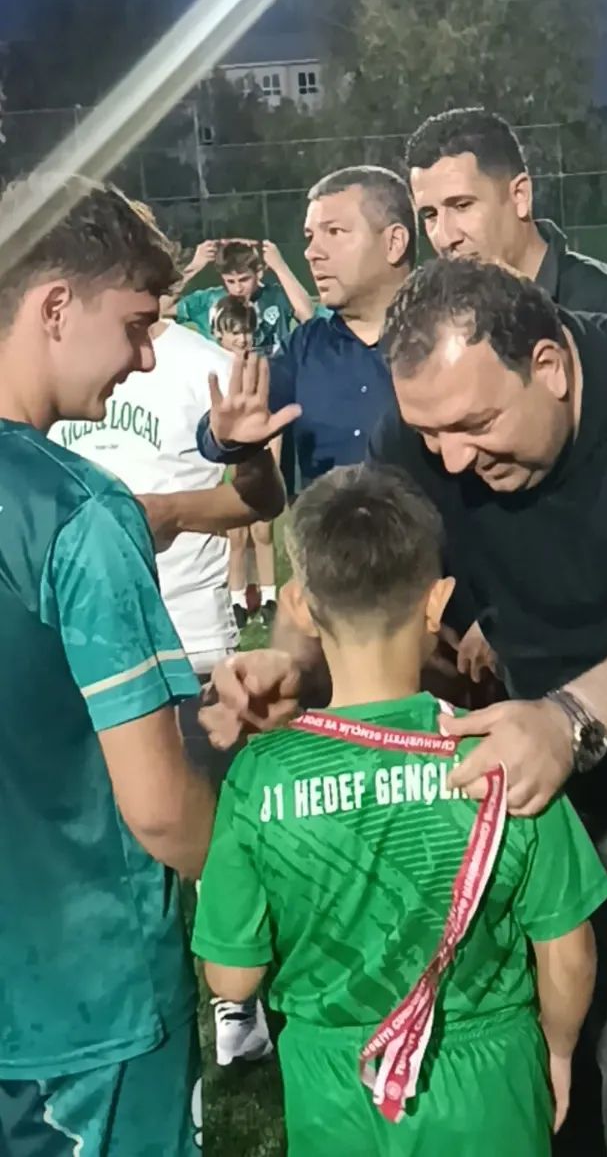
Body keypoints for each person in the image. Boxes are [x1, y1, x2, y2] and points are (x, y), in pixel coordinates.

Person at [204, 259, 607, 1157]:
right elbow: (356, 567)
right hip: (600, 787)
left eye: (475, 425)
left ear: (548, 366)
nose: (451, 460)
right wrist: (292, 663)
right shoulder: (425, 435)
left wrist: (564, 721)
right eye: (429, 433)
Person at [192, 464, 607, 1156]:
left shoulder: (261, 775)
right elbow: (567, 949)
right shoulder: (507, 753)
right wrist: (559, 1051)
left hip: (334, 1085)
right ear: (436, 602)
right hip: (490, 1073)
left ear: (300, 606)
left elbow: (232, 976)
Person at [0, 178, 215, 1155]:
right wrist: (280, 900)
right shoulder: (80, 513)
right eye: (134, 324)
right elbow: (160, 807)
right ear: (55, 306)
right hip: (89, 1007)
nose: (144, 357)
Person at [50, 292, 286, 1070]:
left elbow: (260, 500)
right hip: (82, 635)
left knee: (198, 820)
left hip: (186, 630)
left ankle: (235, 999)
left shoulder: (199, 366)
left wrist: (170, 511)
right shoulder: (57, 367)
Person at [197, 166, 413, 491]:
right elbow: (217, 433)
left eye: (334, 232)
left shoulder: (449, 338)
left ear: (394, 242)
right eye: (311, 237)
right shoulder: (303, 348)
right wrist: (223, 435)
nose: (311, 253)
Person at [405, 107, 607, 318]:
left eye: (462, 205)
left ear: (520, 195)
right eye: (430, 215)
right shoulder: (440, 321)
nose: (444, 237)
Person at [211, 296, 281, 625]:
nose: (241, 339)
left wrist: (274, 459)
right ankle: (237, 600)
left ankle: (269, 597)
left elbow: (271, 418)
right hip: (225, 460)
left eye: (246, 331)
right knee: (235, 536)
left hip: (255, 457)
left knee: (262, 531)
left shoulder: (258, 368)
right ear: (218, 333)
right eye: (234, 332)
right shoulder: (210, 367)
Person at [166, 236, 313, 354]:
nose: (238, 288)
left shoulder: (277, 296)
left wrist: (280, 267)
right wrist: (194, 267)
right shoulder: (207, 300)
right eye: (230, 281)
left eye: (244, 279)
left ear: (259, 273)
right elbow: (162, 308)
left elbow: (308, 316)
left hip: (273, 375)